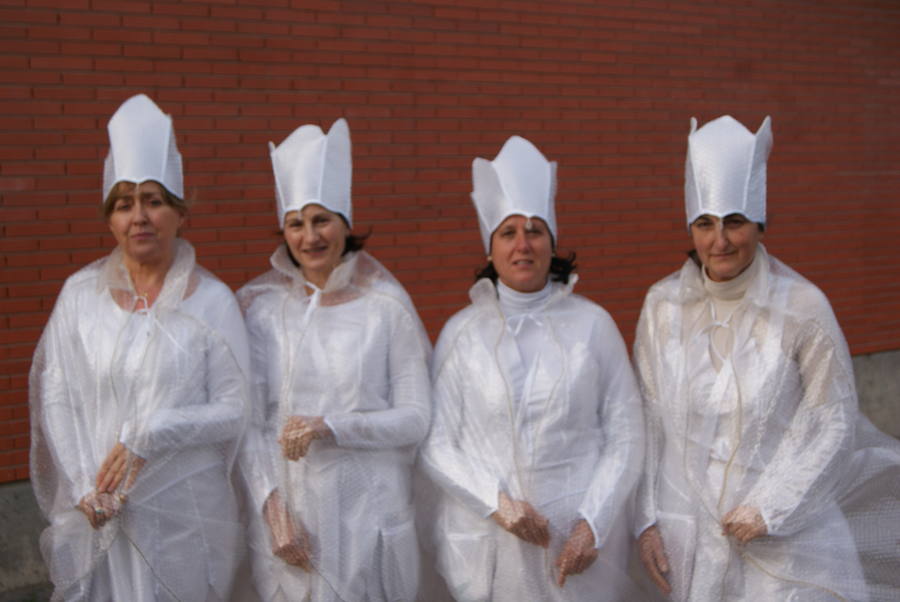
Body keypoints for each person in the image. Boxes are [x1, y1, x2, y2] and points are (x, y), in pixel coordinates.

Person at [634, 115, 900, 601]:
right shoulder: (662, 307)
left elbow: (833, 420)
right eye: (705, 224)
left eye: (734, 222)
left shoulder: (802, 307)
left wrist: (770, 507)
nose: (720, 242)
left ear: (758, 221)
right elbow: (651, 420)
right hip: (692, 540)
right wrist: (646, 520)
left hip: (788, 544)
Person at [29, 94, 250, 601]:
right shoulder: (80, 298)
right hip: (102, 512)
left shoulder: (213, 303)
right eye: (124, 204)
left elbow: (235, 410)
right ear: (110, 218)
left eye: (153, 200)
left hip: (186, 514)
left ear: (178, 211)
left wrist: (152, 432)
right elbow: (57, 392)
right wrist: (88, 484)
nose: (139, 217)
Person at [420, 135, 645, 601]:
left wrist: (594, 523)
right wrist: (496, 504)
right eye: (508, 232)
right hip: (488, 546)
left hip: (577, 549)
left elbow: (626, 432)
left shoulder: (593, 324)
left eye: (535, 230)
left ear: (552, 242)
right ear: (490, 249)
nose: (523, 245)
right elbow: (437, 442)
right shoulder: (462, 334)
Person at [237, 118, 431, 602]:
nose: (309, 237)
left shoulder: (385, 308)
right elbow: (250, 423)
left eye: (321, 219)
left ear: (346, 222)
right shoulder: (262, 312)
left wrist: (332, 426)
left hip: (373, 514)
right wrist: (273, 510)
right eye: (296, 223)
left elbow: (416, 417)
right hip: (292, 525)